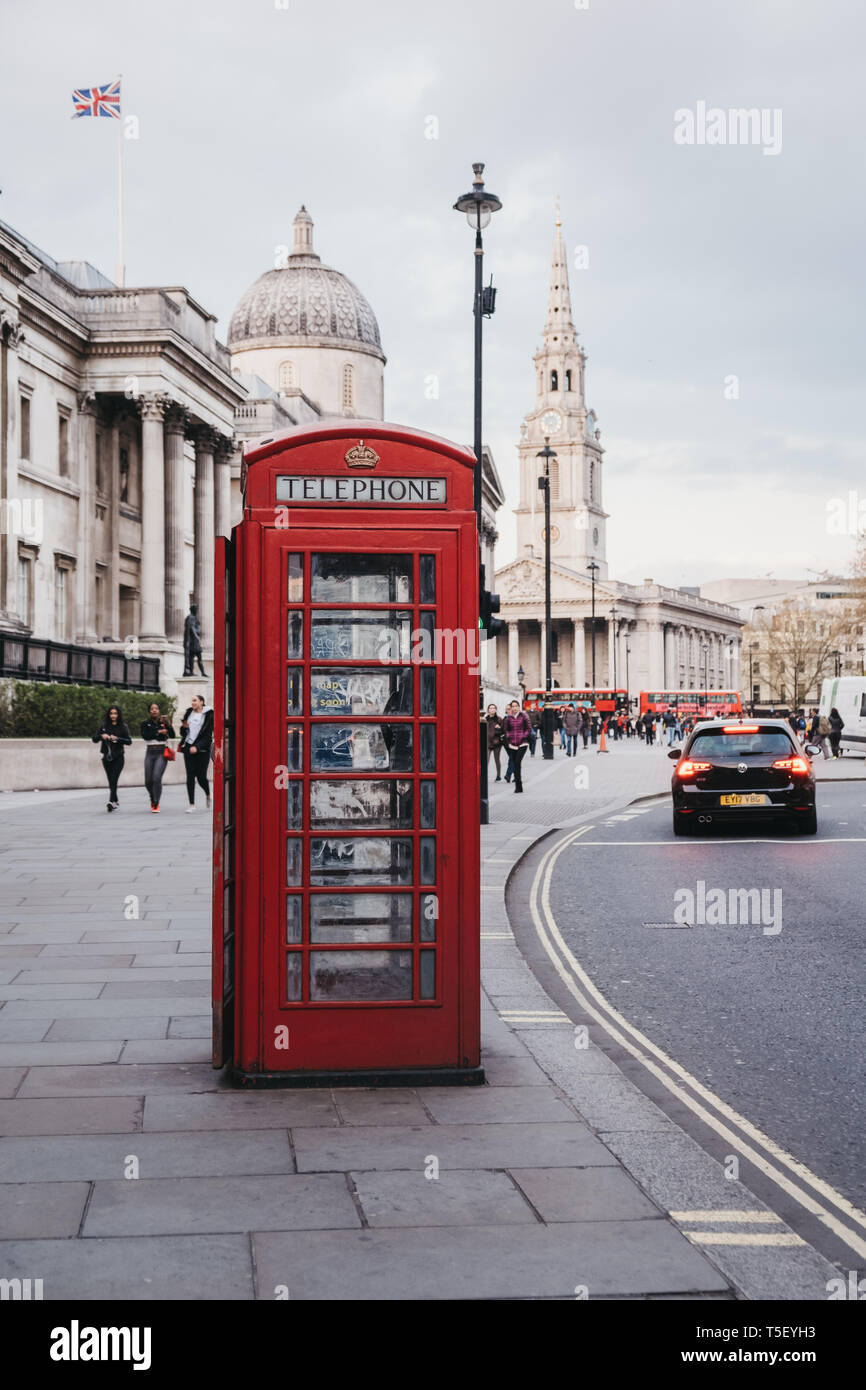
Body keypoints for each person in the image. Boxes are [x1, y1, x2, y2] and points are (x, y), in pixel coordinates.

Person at [91, 704, 132, 812]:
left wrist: (117, 738)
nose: (113, 716)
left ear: (118, 715)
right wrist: (101, 736)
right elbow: (94, 739)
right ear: (108, 715)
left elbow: (129, 741)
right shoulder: (104, 726)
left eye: (115, 713)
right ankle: (115, 800)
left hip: (119, 756)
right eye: (111, 713)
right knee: (111, 780)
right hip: (107, 757)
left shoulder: (123, 726)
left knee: (114, 779)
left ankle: (111, 802)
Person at [178, 693, 214, 811]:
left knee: (201, 777)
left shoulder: (209, 714)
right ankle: (192, 804)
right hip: (188, 746)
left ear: (202, 702)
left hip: (202, 750)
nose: (193, 703)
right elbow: (183, 733)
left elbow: (208, 736)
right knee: (190, 775)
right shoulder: (189, 713)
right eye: (192, 701)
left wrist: (197, 747)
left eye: (195, 700)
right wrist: (184, 727)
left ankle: (208, 794)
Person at [140, 702, 177, 812]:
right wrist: (158, 732)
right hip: (150, 751)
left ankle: (156, 802)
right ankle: (152, 797)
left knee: (156, 777)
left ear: (159, 710)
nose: (154, 710)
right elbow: (146, 736)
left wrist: (168, 725)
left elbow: (173, 735)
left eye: (156, 708)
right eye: (152, 709)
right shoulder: (145, 723)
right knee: (148, 781)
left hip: (161, 752)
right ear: (149, 711)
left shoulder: (163, 723)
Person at [503, 699, 532, 793]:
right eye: (513, 706)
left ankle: (519, 786)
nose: (515, 708)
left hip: (523, 743)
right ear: (511, 708)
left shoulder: (524, 716)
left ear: (519, 707)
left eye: (516, 706)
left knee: (517, 762)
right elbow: (506, 730)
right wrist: (509, 737)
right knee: (515, 764)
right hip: (512, 744)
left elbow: (528, 728)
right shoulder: (509, 718)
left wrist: (524, 736)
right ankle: (518, 786)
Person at [183, 604, 206, 678]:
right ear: (192, 610)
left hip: (195, 641)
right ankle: (190, 671)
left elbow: (195, 629)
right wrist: (197, 637)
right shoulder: (190, 618)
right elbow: (192, 629)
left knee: (196, 657)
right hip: (192, 642)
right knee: (191, 657)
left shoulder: (194, 618)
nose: (196, 611)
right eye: (195, 609)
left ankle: (202, 672)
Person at [486, 704, 504, 782]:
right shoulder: (485, 719)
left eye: (494, 708)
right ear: (488, 710)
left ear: (496, 710)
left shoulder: (499, 719)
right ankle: (484, 775)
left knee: (497, 759)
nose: (492, 709)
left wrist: (499, 728)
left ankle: (498, 775)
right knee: (486, 759)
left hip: (497, 743)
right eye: (490, 708)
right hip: (487, 742)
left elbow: (503, 730)